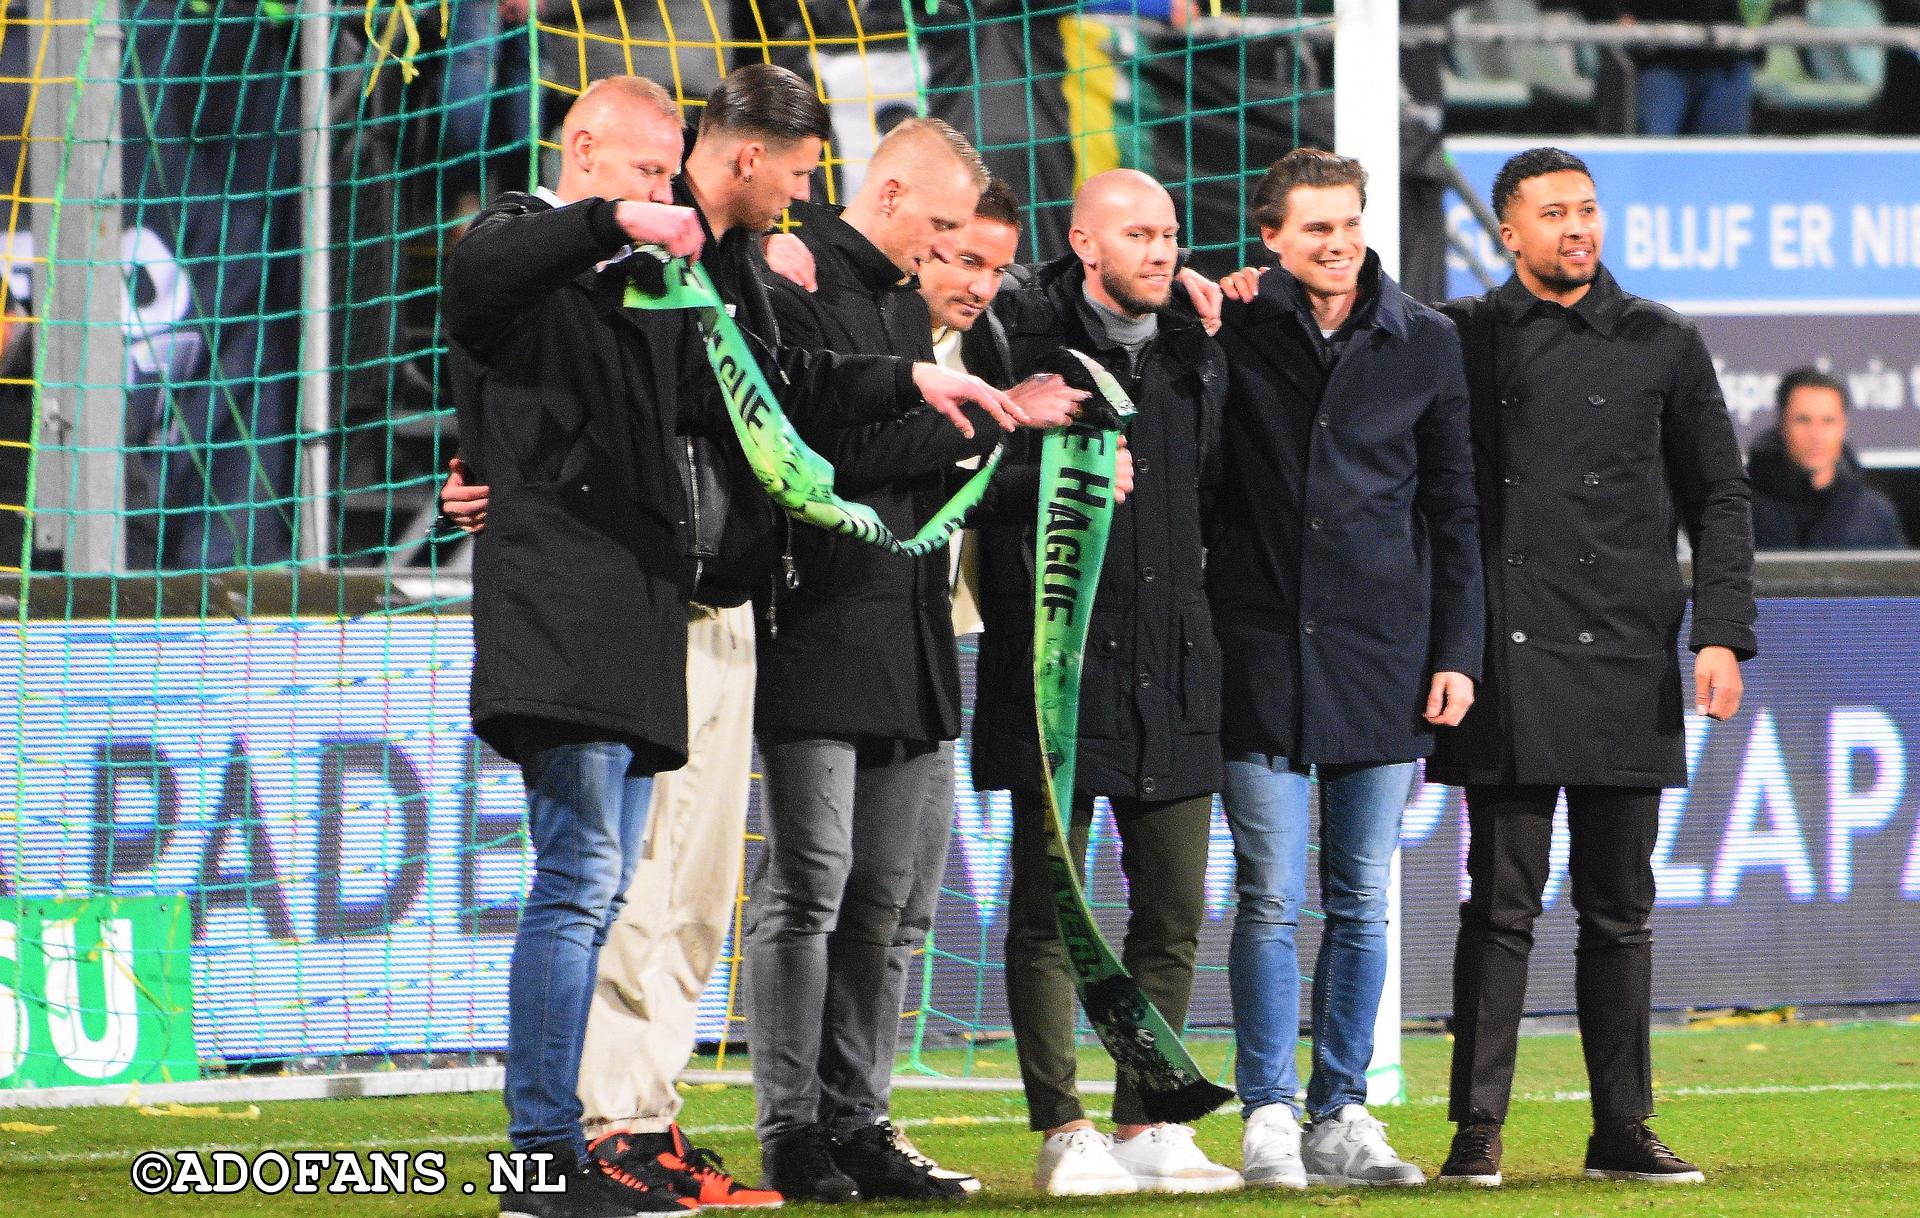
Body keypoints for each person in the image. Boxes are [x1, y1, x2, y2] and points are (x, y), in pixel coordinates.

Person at [443, 67, 1024, 1218]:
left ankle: (620, 1139)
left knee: (651, 897)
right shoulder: (524, 236)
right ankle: (556, 1155)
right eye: (645, 170)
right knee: (591, 890)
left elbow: (768, 388)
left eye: (667, 172)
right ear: (582, 152)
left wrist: (907, 375)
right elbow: (483, 282)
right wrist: (613, 225)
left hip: (664, 609)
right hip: (575, 612)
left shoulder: (686, 283)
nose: (665, 191)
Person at [746, 117, 1082, 1205]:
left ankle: (862, 1123)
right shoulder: (788, 279)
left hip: (918, 636)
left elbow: (924, 473)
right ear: (888, 198)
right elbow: (823, 451)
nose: (954, 254)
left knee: (896, 907)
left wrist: (990, 436)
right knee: (808, 891)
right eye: (943, 229)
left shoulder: (909, 305)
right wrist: (988, 425)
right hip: (817, 625)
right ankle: (791, 1131)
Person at [1430, 147, 1757, 1189]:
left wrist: (1719, 632)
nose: (1577, 228)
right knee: (1501, 904)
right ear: (1508, 233)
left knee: (1620, 908)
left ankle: (1623, 1126)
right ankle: (1476, 1130)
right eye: (1553, 214)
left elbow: (1721, 497)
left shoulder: (1664, 340)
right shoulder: (1462, 339)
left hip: (1625, 649)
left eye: (1588, 210)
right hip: (1507, 654)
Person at [1210, 148, 1482, 1189]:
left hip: (1383, 655)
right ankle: (1269, 1111)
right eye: (1314, 226)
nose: (1337, 242)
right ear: (1271, 236)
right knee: (1270, 894)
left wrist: (1457, 650)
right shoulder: (1230, 325)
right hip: (1260, 651)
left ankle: (1343, 1112)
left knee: (1361, 897)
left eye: (1350, 221)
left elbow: (1455, 510)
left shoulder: (1426, 342)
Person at [970, 169, 1240, 1198]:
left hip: (1173, 672)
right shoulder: (1020, 343)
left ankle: (1147, 1124)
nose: (1162, 251)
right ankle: (1062, 1129)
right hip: (1057, 672)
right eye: (1139, 234)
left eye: (1171, 234)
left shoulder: (1195, 353)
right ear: (1085, 243)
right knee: (1046, 912)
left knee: (1170, 911)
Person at [1584, 2, 1802, 136]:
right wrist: (1614, 12)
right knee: (1654, 163)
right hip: (1658, 60)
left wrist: (1755, 25)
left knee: (1721, 166)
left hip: (1728, 61)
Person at [1749, 367, 1908, 550]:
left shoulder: (1874, 514)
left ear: (1843, 426)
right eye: (1803, 420)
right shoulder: (1744, 511)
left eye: (1828, 421)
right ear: (1782, 425)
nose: (1816, 435)